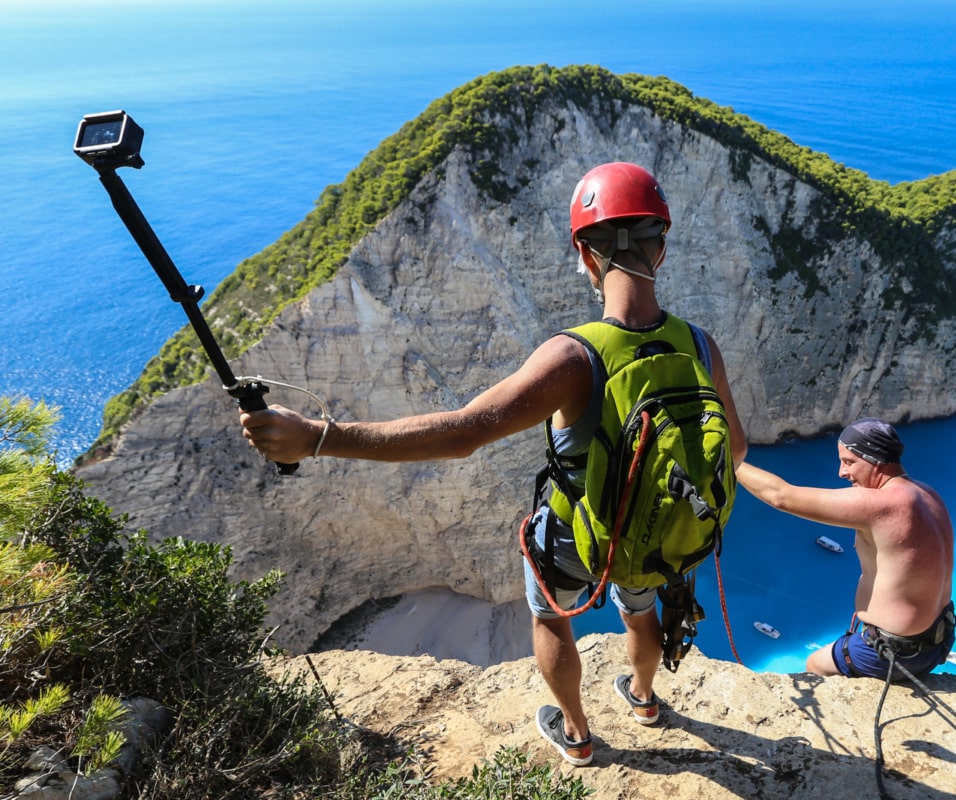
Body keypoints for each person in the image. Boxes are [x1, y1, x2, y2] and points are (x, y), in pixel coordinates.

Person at [241, 162, 747, 766]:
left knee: (550, 618)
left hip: (577, 541)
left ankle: (579, 735)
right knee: (638, 610)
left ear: (585, 256)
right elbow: (735, 450)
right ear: (660, 248)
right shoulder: (699, 345)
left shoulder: (574, 356)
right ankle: (643, 699)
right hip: (655, 535)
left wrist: (318, 437)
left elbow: (461, 434)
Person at [735, 418, 954, 680]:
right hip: (937, 642)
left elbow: (781, 496)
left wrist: (727, 460)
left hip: (894, 654)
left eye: (849, 462)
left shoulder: (882, 504)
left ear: (875, 460)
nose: (842, 472)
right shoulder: (929, 494)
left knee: (815, 664)